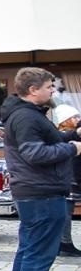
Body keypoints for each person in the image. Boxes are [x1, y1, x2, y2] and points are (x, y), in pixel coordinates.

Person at [2, 68, 81, 271]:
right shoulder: (26, 117)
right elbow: (35, 153)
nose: (53, 91)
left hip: (34, 191)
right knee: (39, 252)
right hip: (42, 192)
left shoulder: (26, 114)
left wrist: (72, 136)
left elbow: (45, 142)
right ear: (33, 90)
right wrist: (72, 148)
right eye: (50, 87)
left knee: (28, 249)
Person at [50, 104, 80, 256]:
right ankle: (63, 243)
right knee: (66, 211)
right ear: (65, 120)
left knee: (67, 211)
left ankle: (64, 242)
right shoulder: (61, 135)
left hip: (74, 177)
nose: (77, 119)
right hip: (69, 177)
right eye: (73, 117)